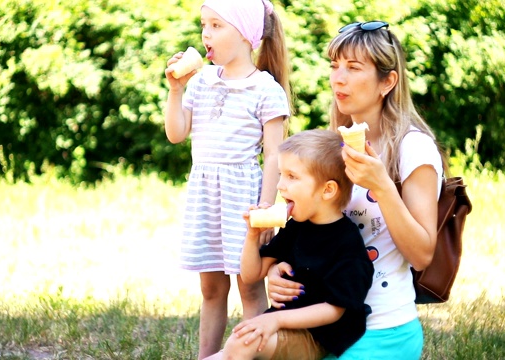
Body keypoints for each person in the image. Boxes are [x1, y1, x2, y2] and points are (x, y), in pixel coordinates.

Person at [266, 21, 445, 359]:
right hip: (322, 328)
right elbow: (313, 231)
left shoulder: (413, 150)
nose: (338, 78)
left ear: (387, 82)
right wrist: (280, 270)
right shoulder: (333, 144)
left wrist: (381, 185)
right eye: (334, 66)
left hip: (383, 329)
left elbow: (422, 254)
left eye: (353, 67)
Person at [163, 0, 292, 358]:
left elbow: (274, 158)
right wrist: (175, 90)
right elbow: (176, 133)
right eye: (205, 24)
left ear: (246, 35)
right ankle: (206, 357)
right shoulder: (201, 81)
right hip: (205, 195)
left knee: (250, 287)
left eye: (217, 25)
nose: (206, 33)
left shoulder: (266, 90)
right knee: (210, 289)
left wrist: (267, 208)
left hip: (244, 200)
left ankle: (260, 353)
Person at [204, 129, 374, 360]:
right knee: (226, 352)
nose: (280, 185)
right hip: (282, 326)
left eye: (292, 176)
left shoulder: (346, 242)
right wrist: (252, 237)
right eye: (281, 174)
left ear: (328, 190)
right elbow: (251, 274)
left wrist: (275, 319)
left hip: (314, 337)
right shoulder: (295, 226)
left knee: (241, 343)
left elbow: (334, 309)